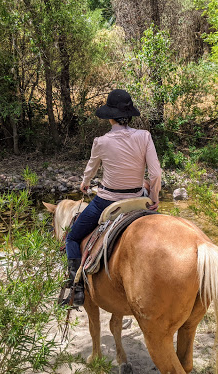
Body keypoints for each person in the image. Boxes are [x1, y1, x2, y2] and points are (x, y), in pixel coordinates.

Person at [64, 89, 162, 307]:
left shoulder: (101, 141)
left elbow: (91, 167)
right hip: (138, 199)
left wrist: (85, 182)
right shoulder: (145, 136)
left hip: (107, 202)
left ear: (110, 116)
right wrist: (154, 197)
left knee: (72, 237)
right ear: (129, 116)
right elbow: (155, 173)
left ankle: (76, 287)